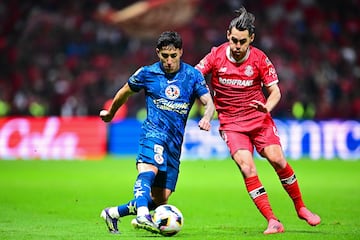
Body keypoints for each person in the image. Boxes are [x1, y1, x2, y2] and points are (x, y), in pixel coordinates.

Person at [195, 6, 321, 234]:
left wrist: (266, 107)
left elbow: (276, 92)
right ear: (228, 35)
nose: (237, 46)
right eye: (234, 40)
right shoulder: (215, 55)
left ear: (251, 39)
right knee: (247, 167)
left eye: (242, 41)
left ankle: (301, 208)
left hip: (259, 118)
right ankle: (273, 220)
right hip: (232, 124)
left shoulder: (260, 58)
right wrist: (206, 109)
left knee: (278, 160)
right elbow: (194, 77)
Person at [99, 31, 215, 234]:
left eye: (173, 55)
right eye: (164, 56)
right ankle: (142, 215)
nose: (169, 61)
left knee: (161, 198)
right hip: (153, 132)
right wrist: (111, 113)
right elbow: (124, 92)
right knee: (148, 170)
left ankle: (113, 213)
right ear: (157, 53)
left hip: (174, 144)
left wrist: (206, 117)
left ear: (180, 52)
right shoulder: (147, 73)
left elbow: (209, 102)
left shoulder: (192, 75)